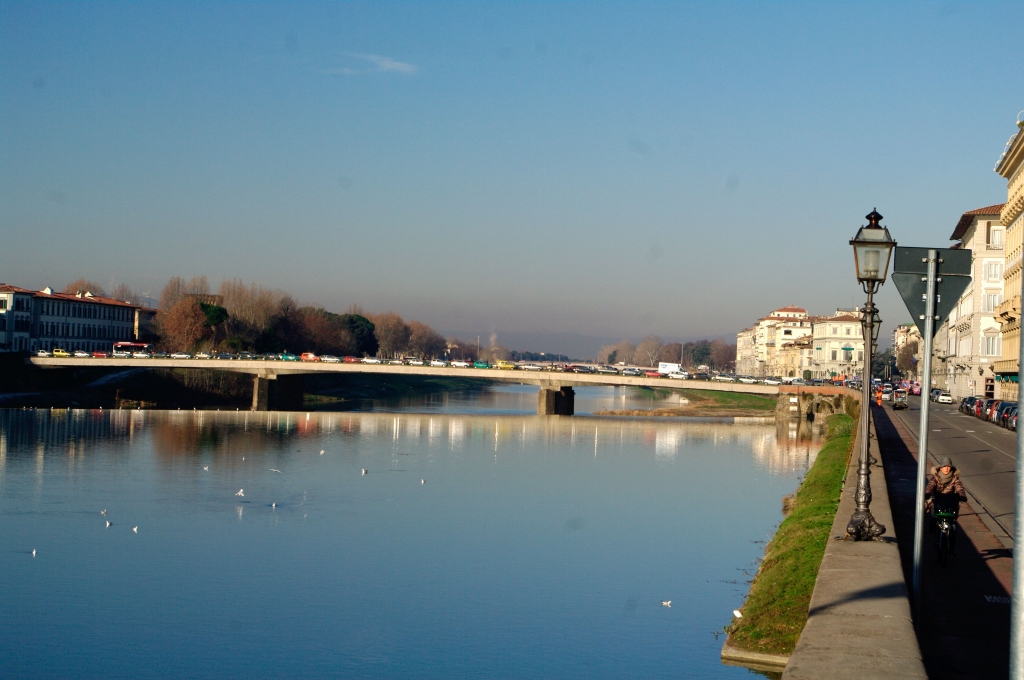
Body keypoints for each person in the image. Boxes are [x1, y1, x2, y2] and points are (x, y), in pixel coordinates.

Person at [924, 456, 967, 553]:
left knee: (953, 526)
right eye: (944, 466)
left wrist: (962, 496)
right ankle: (933, 528)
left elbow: (959, 487)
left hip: (950, 502)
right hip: (938, 500)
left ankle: (951, 547)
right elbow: (930, 485)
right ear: (940, 467)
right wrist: (927, 493)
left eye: (948, 466)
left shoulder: (954, 478)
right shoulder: (936, 477)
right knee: (934, 514)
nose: (946, 468)